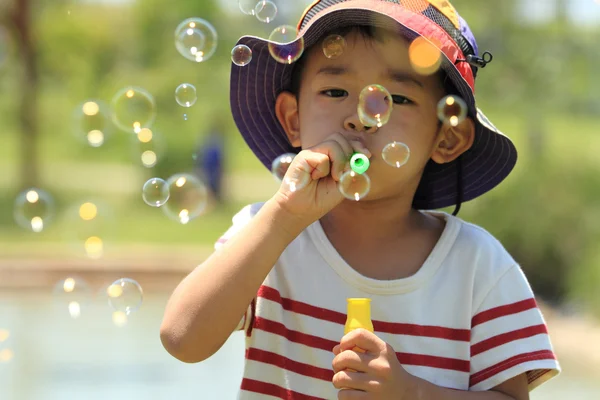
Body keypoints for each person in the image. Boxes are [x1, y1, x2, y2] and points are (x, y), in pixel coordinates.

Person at [160, 1, 561, 399]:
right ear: (293, 120)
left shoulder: (480, 268)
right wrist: (282, 218)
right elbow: (182, 338)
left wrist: (412, 393)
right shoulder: (266, 235)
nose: (360, 117)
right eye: (335, 91)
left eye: (398, 99)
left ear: (447, 136)